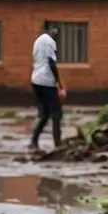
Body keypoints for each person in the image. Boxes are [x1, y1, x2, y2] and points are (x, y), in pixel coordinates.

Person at [30, 23, 66, 152]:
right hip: (46, 82)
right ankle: (58, 143)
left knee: (44, 114)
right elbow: (51, 63)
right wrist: (59, 85)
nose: (56, 34)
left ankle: (33, 141)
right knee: (56, 113)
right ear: (51, 29)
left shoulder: (37, 41)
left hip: (36, 80)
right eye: (55, 31)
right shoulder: (49, 42)